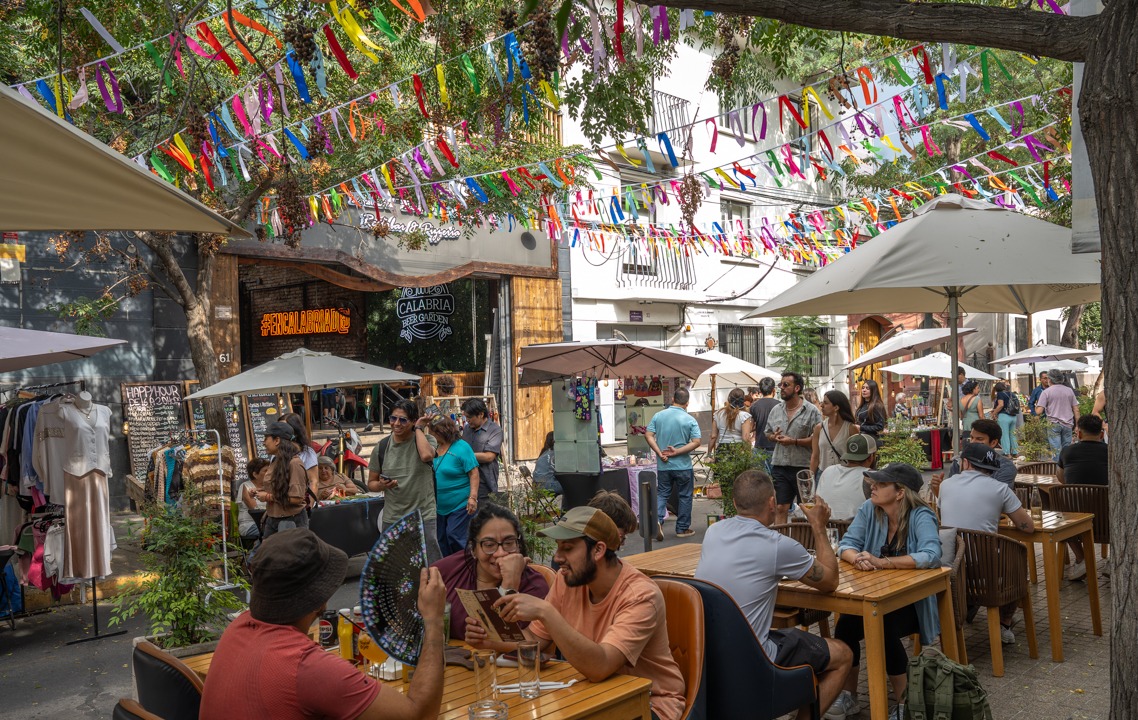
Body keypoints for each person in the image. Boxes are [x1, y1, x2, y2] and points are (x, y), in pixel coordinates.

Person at [200, 528, 446, 720]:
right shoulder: (307, 668)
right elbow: (420, 714)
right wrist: (433, 619)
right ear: (319, 596)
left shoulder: (238, 627)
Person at [469, 507, 687, 720]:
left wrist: (545, 611)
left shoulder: (640, 595)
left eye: (568, 548)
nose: (558, 557)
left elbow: (600, 667)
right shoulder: (568, 580)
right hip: (593, 694)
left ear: (598, 550)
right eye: (558, 547)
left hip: (650, 703)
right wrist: (488, 640)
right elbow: (535, 640)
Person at [695, 470, 853, 720]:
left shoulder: (714, 533)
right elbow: (830, 581)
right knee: (843, 653)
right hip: (753, 659)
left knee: (788, 633)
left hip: (707, 653)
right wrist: (819, 527)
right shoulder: (777, 545)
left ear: (735, 503)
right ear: (772, 503)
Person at [833, 463, 942, 720]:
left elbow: (931, 555)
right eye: (874, 483)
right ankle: (849, 696)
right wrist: (856, 558)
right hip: (877, 597)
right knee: (845, 625)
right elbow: (846, 544)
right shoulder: (869, 509)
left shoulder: (921, 515)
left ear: (900, 492)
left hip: (914, 602)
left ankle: (905, 702)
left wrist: (883, 562)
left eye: (881, 484)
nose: (873, 487)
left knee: (882, 626)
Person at [937, 443, 1033, 645]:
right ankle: (1004, 622)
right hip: (985, 570)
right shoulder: (1000, 488)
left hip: (949, 564)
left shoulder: (946, 485)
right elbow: (1027, 527)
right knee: (1018, 563)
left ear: (965, 463)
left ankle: (965, 606)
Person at [438, 504, 550, 648]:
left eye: (509, 543)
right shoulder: (448, 571)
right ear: (473, 550)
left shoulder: (534, 586)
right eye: (489, 545)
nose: (500, 553)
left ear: (519, 544)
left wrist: (510, 584)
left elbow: (509, 637)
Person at [367, 399, 443, 564]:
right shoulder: (381, 447)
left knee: (430, 566)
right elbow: (371, 483)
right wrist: (381, 485)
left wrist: (419, 428)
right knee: (392, 568)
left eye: (403, 420)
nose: (396, 424)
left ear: (413, 421)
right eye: (393, 418)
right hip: (393, 516)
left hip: (423, 514)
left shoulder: (427, 440)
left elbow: (426, 456)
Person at [764, 372, 823, 525]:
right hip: (780, 465)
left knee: (808, 508)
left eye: (786, 385)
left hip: (803, 466)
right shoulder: (776, 409)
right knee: (780, 507)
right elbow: (767, 432)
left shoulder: (812, 411)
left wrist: (794, 441)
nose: (781, 388)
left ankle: (810, 544)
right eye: (780, 385)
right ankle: (781, 543)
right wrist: (773, 437)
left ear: (797, 388)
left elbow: (818, 439)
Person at [645, 388, 702, 539]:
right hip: (683, 465)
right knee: (685, 496)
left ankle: (656, 521)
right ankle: (682, 529)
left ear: (672, 399)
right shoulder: (690, 419)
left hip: (664, 465)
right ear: (687, 403)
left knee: (662, 493)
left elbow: (648, 435)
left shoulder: (658, 415)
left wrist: (658, 452)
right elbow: (697, 442)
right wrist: (677, 452)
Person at [427, 415, 480, 556]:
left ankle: (467, 566)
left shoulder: (462, 447)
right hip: (439, 506)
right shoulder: (435, 447)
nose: (431, 435)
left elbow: (474, 473)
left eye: (433, 432)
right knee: (441, 540)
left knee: (455, 535)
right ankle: (450, 570)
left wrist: (472, 498)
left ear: (441, 431)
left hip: (460, 504)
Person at [931, 419, 1017, 493]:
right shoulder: (959, 462)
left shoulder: (1005, 467)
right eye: (972, 438)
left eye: (979, 439)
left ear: (993, 443)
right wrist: (938, 490)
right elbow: (950, 495)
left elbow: (1001, 500)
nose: (973, 442)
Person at [257, 421, 310, 540]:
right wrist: (259, 491)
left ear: (277, 441)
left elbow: (296, 498)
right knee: (266, 556)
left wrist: (267, 497)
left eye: (266, 438)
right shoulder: (276, 461)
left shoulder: (294, 463)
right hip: (273, 519)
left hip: (290, 521)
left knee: (287, 557)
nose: (264, 442)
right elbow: (279, 488)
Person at [817, 434, 877, 521]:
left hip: (823, 529)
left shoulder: (828, 471)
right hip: (854, 532)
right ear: (871, 457)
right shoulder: (870, 476)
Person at [460, 398, 503, 504]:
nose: (468, 420)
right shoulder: (467, 429)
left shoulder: (495, 430)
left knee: (484, 517)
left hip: (485, 483)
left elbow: (489, 457)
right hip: (465, 482)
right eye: (466, 417)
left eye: (470, 417)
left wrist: (463, 456)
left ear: (480, 414)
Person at [810, 390, 859, 479]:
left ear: (836, 407)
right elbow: (815, 456)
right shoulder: (819, 428)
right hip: (823, 475)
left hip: (845, 475)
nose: (821, 405)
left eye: (825, 403)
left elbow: (856, 457)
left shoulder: (851, 429)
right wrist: (810, 478)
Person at [1035, 375, 1080, 461]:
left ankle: (1057, 469)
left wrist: (1036, 407)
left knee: (1056, 450)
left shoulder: (1046, 392)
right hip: (1068, 424)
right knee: (1066, 449)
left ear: (1050, 380)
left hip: (1053, 424)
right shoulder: (1069, 390)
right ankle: (1066, 469)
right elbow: (1076, 409)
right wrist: (1078, 425)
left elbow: (1039, 411)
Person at [1058, 414, 1109, 486]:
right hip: (1102, 496)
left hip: (1073, 496)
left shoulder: (1066, 451)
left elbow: (1061, 478)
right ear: (1101, 435)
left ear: (1079, 434)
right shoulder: (1110, 452)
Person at [282, 412, 320, 500]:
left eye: (284, 428)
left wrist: (309, 504)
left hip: (300, 502)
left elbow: (313, 481)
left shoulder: (307, 453)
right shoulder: (277, 453)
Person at [708, 388, 754, 456]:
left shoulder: (718, 414)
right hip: (738, 449)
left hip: (722, 449)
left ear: (729, 399)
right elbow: (746, 438)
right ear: (743, 401)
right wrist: (749, 455)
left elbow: (713, 436)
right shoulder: (744, 416)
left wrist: (708, 454)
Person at [237, 458, 270, 542]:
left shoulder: (270, 487)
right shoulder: (245, 486)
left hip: (267, 523)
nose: (269, 473)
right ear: (255, 474)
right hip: (250, 525)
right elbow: (255, 509)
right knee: (273, 532)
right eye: (265, 471)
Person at [750, 377, 780, 458]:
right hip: (776, 445)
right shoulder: (780, 405)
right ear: (774, 390)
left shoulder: (754, 406)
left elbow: (751, 427)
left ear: (761, 391)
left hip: (760, 445)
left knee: (760, 470)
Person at [989, 382, 1020, 457]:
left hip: (1004, 416)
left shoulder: (1000, 394)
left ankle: (1007, 453)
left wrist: (994, 413)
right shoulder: (1011, 393)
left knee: (1004, 435)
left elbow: (1001, 405)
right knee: (1013, 435)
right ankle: (1015, 452)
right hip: (1013, 416)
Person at [531, 431, 562, 495]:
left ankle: (566, 505)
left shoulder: (544, 453)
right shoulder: (555, 454)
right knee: (570, 487)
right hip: (547, 486)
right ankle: (569, 505)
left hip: (536, 487)